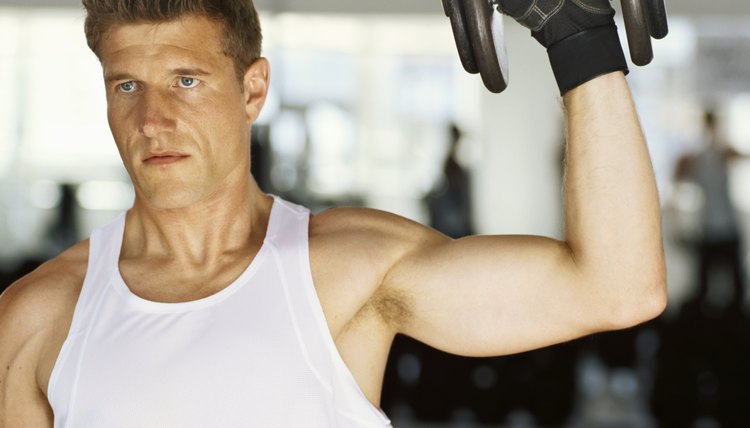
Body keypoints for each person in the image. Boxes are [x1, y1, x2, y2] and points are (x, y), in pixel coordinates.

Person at [0, 0, 667, 426]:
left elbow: (617, 287)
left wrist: (578, 40)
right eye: (127, 87)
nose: (153, 120)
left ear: (252, 89)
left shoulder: (348, 271)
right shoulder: (39, 317)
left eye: (186, 81)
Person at [675, 109, 746, 312]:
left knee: (732, 285)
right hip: (711, 228)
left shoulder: (721, 153)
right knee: (706, 284)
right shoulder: (698, 157)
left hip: (724, 227)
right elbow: (679, 174)